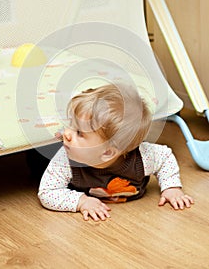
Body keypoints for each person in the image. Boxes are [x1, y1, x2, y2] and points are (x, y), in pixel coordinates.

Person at [38, 82, 194, 221]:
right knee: (37, 159)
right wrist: (81, 201)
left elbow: (165, 157)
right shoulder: (65, 159)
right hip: (46, 164)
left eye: (79, 132)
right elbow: (47, 192)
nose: (67, 132)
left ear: (107, 153)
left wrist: (171, 187)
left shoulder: (143, 157)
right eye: (70, 124)